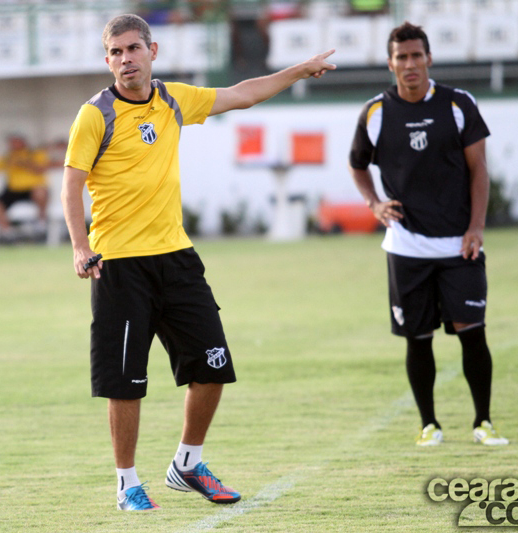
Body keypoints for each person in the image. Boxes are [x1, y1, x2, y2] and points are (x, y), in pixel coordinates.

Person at [62, 13, 335, 511]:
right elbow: (71, 184)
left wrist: (297, 71)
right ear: (108, 60)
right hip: (120, 264)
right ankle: (127, 483)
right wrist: (81, 247)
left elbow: (242, 93)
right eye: (116, 52)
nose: (126, 59)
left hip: (177, 258)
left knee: (213, 365)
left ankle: (187, 463)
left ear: (153, 51)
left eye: (133, 49)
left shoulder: (173, 100)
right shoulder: (94, 115)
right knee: (126, 381)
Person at [348, 22, 508, 448]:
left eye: (417, 55)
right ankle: (429, 425)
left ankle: (484, 421)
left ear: (429, 59)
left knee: (471, 328)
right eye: (401, 57)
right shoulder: (375, 113)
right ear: (390, 64)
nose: (410, 64)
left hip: (460, 243)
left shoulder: (458, 104)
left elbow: (480, 171)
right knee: (417, 338)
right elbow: (357, 165)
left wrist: (476, 227)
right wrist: (374, 203)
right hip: (406, 245)